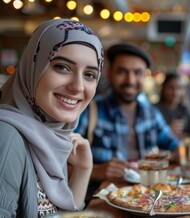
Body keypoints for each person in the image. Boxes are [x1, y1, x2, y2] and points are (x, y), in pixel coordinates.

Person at [0, 19, 103, 218]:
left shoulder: (50, 135)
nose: (77, 87)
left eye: (90, 75)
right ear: (34, 67)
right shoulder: (6, 137)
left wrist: (83, 171)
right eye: (62, 67)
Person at [75, 43, 179, 199]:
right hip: (102, 202)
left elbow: (177, 148)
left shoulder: (150, 113)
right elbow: (59, 166)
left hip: (149, 199)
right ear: (109, 74)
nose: (130, 80)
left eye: (137, 73)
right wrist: (95, 170)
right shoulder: (90, 111)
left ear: (145, 76)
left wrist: (159, 160)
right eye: (122, 71)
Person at [155, 72, 190, 139]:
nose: (175, 93)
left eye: (179, 88)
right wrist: (168, 131)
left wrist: (182, 136)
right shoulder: (154, 110)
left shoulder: (186, 109)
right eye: (170, 88)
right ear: (163, 88)